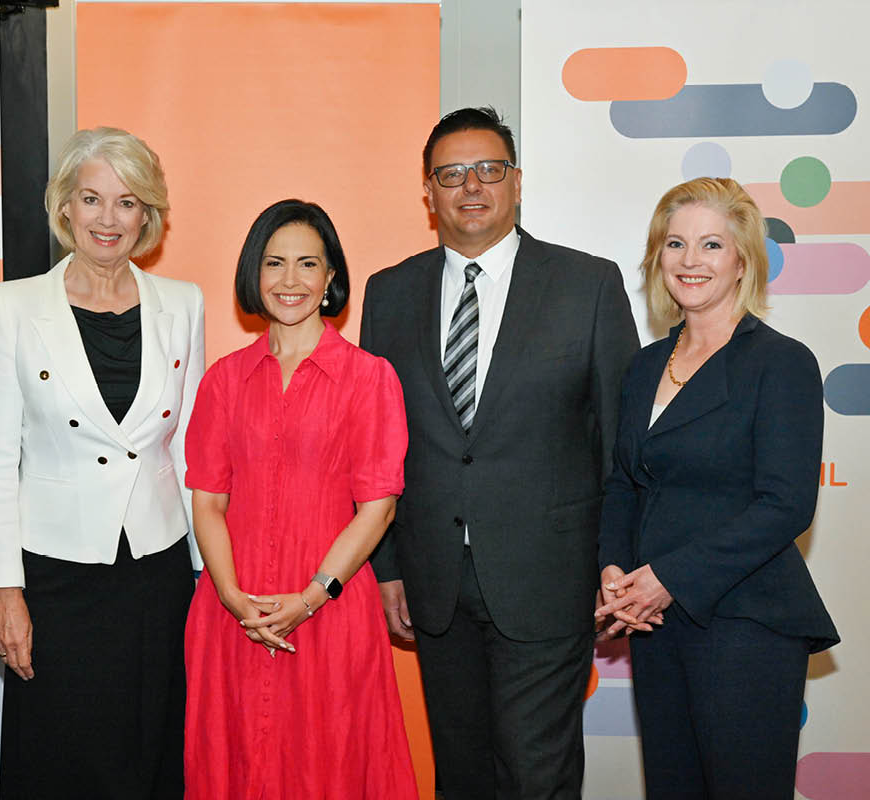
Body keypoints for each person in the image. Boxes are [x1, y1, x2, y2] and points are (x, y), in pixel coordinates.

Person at [359, 107, 639, 799]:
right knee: (461, 774)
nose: (472, 187)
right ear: (428, 192)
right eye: (451, 174)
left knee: (535, 772)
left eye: (490, 169)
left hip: (550, 578)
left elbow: (622, 446)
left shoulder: (588, 285)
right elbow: (377, 450)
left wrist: (616, 564)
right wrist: (387, 567)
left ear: (517, 183)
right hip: (433, 584)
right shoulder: (388, 293)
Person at [0, 126, 204, 799]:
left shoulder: (182, 304)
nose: (109, 219)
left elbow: (189, 449)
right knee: (59, 757)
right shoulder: (13, 306)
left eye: (127, 202)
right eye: (92, 198)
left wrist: (209, 570)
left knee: (151, 748)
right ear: (65, 206)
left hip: (155, 568)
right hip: (54, 575)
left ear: (148, 215)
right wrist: (3, 591)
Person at [594, 177, 838, 800]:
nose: (690, 261)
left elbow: (785, 504)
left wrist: (669, 577)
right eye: (675, 244)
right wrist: (616, 570)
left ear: (742, 261)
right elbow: (625, 481)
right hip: (656, 621)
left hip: (745, 624)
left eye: (711, 245)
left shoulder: (781, 362)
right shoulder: (646, 365)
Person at [183, 200, 418, 799]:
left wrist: (313, 597)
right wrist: (234, 597)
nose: (290, 281)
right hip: (232, 614)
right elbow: (207, 502)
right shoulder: (223, 379)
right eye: (274, 263)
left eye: (307, 264)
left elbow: (378, 509)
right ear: (253, 275)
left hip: (331, 612)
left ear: (330, 277)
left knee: (330, 764)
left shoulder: (370, 378)